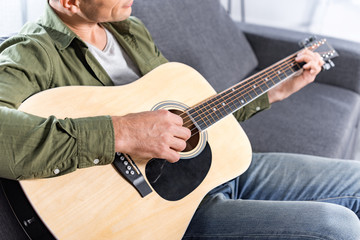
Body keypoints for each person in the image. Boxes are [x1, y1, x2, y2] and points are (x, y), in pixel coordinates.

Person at [0, 0, 359, 239]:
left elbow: (191, 115)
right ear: (69, 3)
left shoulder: (130, 30)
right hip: (165, 216)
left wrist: (277, 89)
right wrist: (122, 132)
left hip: (220, 169)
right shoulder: (32, 53)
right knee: (338, 227)